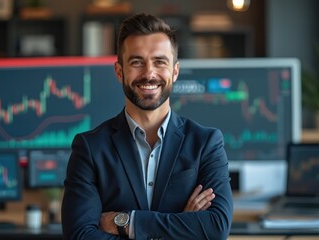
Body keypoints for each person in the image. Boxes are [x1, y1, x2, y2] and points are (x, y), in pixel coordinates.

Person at [61, 13, 233, 240]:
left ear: (175, 71)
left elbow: (216, 227)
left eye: (160, 62)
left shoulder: (206, 143)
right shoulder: (90, 148)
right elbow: (80, 236)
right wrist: (182, 225)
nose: (149, 73)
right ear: (119, 71)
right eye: (137, 62)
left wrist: (127, 222)